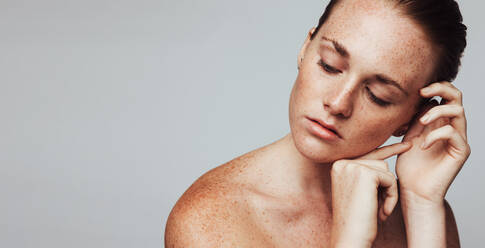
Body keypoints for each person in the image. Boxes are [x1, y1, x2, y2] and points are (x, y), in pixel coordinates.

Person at [165, 0, 470, 247]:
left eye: (378, 95)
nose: (338, 104)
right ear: (305, 48)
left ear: (413, 117)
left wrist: (421, 206)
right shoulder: (209, 219)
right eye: (329, 65)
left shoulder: (423, 213)